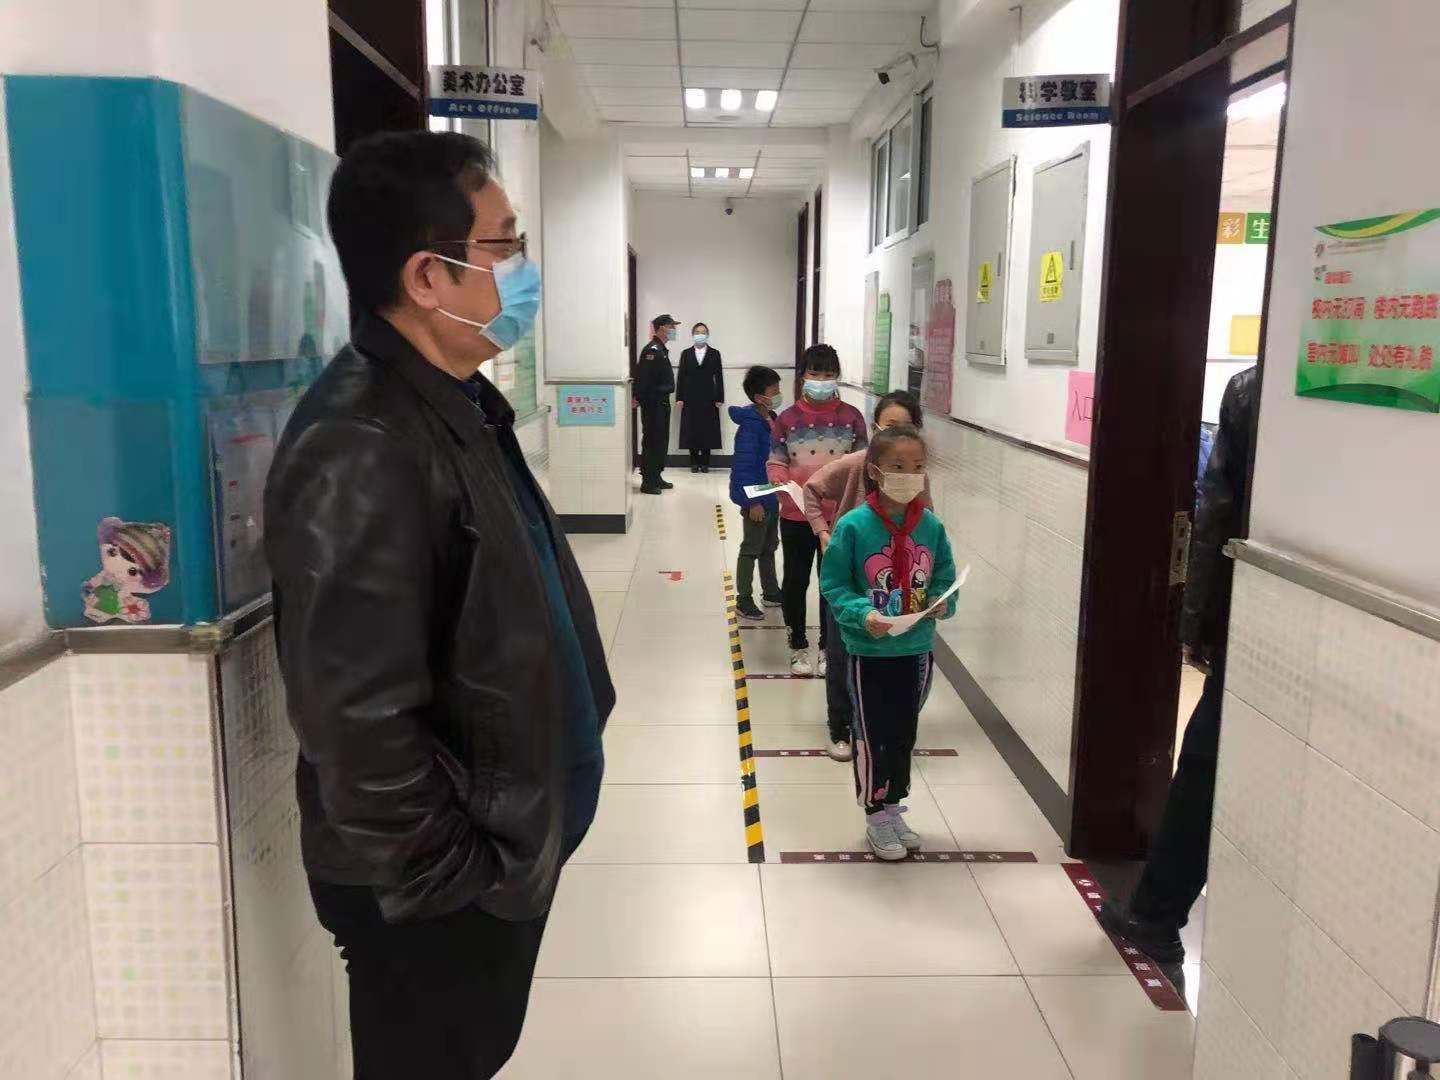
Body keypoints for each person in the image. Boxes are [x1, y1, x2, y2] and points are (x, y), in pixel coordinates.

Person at [264, 131, 615, 1080]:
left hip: (491, 854)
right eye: (505, 245)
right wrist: (456, 881)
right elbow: (355, 718)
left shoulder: (451, 403)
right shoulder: (362, 439)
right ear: (429, 276)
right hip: (439, 891)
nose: (523, 270)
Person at [1098, 365, 1259, 970]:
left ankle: (1156, 916)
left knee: (1204, 768)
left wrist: (1196, 628)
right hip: (1280, 621)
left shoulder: (1253, 391)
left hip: (1255, 625)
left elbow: (1216, 516)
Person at [820, 424, 957, 861]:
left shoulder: (930, 525)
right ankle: (875, 813)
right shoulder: (853, 526)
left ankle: (893, 805)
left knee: (902, 733)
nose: (909, 476)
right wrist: (864, 614)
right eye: (898, 467)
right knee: (872, 735)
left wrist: (941, 601)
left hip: (916, 650)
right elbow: (834, 584)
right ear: (875, 472)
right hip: (871, 652)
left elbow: (944, 575)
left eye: (917, 466)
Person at [803, 390, 930, 761]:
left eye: (906, 427)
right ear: (875, 427)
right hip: (850, 576)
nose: (897, 434)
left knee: (890, 654)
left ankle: (879, 727)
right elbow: (811, 490)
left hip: (894, 581)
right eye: (890, 426)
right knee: (842, 652)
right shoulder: (857, 465)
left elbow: (928, 524)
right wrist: (822, 532)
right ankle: (840, 727)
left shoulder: (917, 476)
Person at [767, 344, 868, 676]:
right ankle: (798, 645)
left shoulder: (852, 418)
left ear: (836, 376)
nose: (821, 381)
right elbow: (777, 460)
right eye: (814, 374)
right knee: (795, 581)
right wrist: (780, 481)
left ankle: (828, 647)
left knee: (833, 583)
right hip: (796, 514)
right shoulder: (787, 419)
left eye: (828, 375)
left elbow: (863, 464)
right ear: (802, 376)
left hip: (840, 518)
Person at [728, 365, 785, 621]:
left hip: (771, 494)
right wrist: (752, 502)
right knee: (751, 548)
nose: (779, 394)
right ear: (759, 396)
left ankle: (771, 592)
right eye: (774, 390)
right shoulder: (750, 426)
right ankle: (743, 599)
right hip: (756, 499)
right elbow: (744, 467)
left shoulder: (771, 418)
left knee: (769, 546)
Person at [635, 314, 678, 494]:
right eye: (671, 326)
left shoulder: (661, 349)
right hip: (653, 405)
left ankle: (656, 476)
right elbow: (644, 380)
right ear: (661, 328)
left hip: (661, 403)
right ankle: (648, 481)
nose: (674, 330)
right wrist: (639, 398)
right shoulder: (651, 350)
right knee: (652, 441)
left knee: (661, 441)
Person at [676, 322, 725, 473]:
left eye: (703, 332)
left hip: (709, 396)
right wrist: (679, 397)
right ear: (693, 335)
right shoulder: (686, 353)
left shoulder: (715, 353)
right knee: (691, 429)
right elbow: (681, 377)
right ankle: (693, 462)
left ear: (707, 335)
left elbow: (719, 377)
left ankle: (705, 463)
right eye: (697, 332)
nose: (700, 335)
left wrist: (720, 397)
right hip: (690, 397)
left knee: (707, 429)